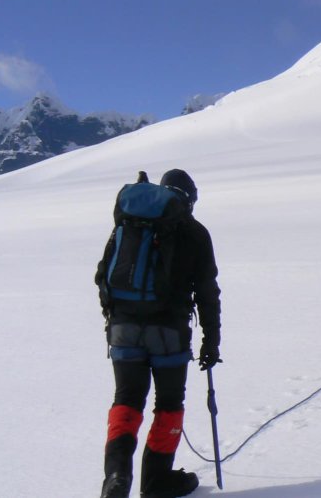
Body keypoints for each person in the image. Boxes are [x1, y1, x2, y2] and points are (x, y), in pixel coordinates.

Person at [95, 169, 221, 498]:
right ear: (189, 200)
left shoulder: (129, 223)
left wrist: (115, 316)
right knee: (168, 405)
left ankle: (117, 477)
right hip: (169, 333)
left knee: (126, 400)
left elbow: (102, 274)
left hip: (123, 328)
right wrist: (211, 341)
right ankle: (156, 483)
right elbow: (207, 293)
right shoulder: (194, 232)